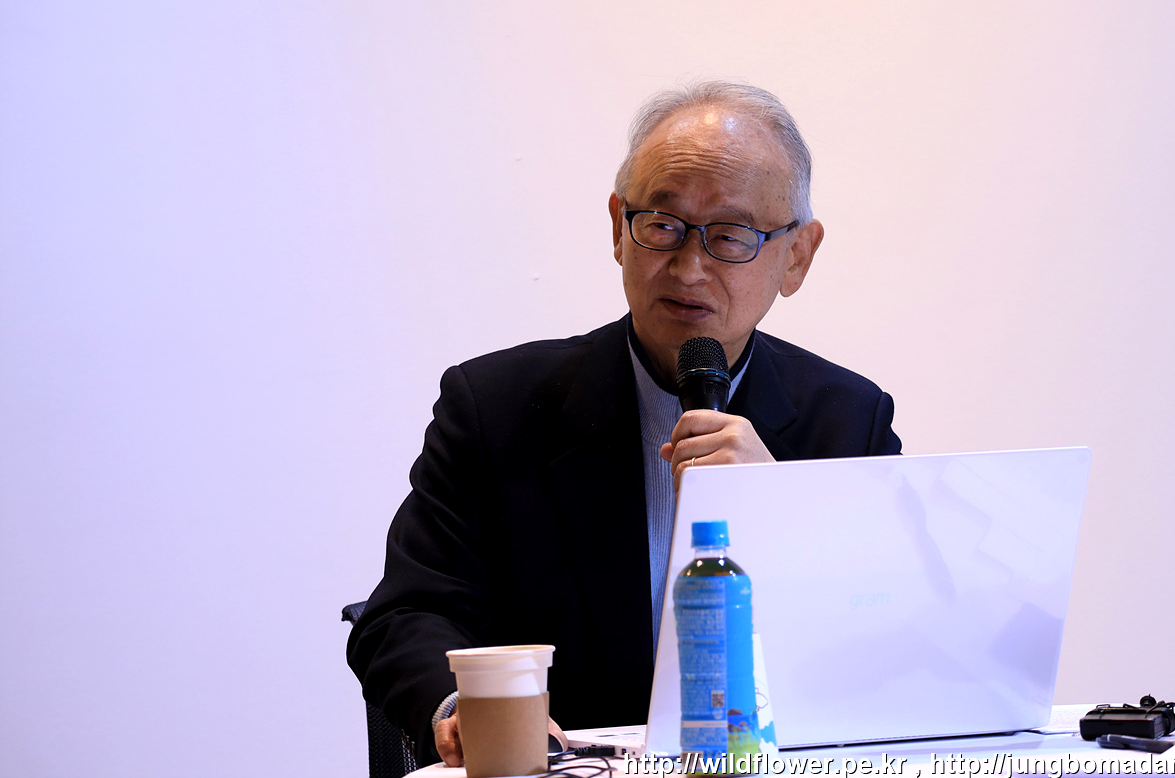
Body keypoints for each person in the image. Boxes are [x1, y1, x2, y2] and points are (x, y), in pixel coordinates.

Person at [346, 80, 902, 765]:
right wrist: (467, 706)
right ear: (618, 227)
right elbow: (406, 613)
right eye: (662, 226)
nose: (689, 269)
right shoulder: (494, 408)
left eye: (729, 237)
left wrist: (782, 512)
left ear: (797, 256)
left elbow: (893, 633)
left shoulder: (849, 421)